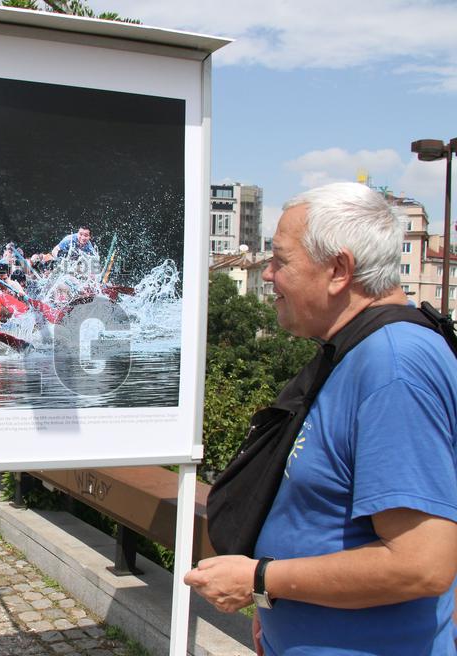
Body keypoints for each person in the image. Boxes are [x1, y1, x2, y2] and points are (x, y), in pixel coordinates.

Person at [184, 182, 457, 655]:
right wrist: (276, 605)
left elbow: (421, 564)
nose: (269, 274)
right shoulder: (358, 350)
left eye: (281, 260)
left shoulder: (394, 367)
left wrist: (261, 579)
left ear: (338, 270)